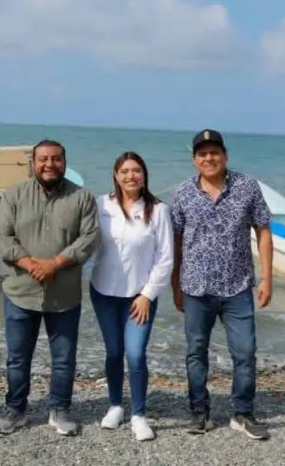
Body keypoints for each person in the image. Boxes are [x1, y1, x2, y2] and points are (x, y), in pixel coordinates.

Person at [170, 129, 274, 440]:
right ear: (194, 159)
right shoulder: (182, 193)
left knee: (245, 352)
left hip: (238, 287)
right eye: (202, 154)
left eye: (214, 152)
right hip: (195, 287)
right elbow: (175, 241)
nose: (209, 158)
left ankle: (242, 413)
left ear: (225, 155)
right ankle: (199, 412)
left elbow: (264, 231)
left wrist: (268, 277)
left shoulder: (247, 187)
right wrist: (175, 284)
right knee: (195, 352)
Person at [0, 139, 99, 436]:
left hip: (64, 295)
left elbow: (88, 239)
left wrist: (55, 263)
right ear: (33, 162)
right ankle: (15, 409)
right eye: (43, 159)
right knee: (17, 357)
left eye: (55, 159)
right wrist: (31, 264)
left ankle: (60, 409)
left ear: (64, 162)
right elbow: (3, 238)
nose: (49, 164)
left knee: (64, 358)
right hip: (19, 293)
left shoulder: (82, 197)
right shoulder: (13, 196)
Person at [88, 151, 173, 441]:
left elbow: (165, 259)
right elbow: (86, 242)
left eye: (136, 170)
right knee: (113, 352)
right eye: (124, 171)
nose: (130, 176)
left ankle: (139, 413)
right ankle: (115, 405)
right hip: (103, 292)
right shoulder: (101, 204)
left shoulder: (158, 210)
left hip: (140, 297)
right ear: (115, 175)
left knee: (135, 354)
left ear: (144, 174)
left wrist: (148, 294)